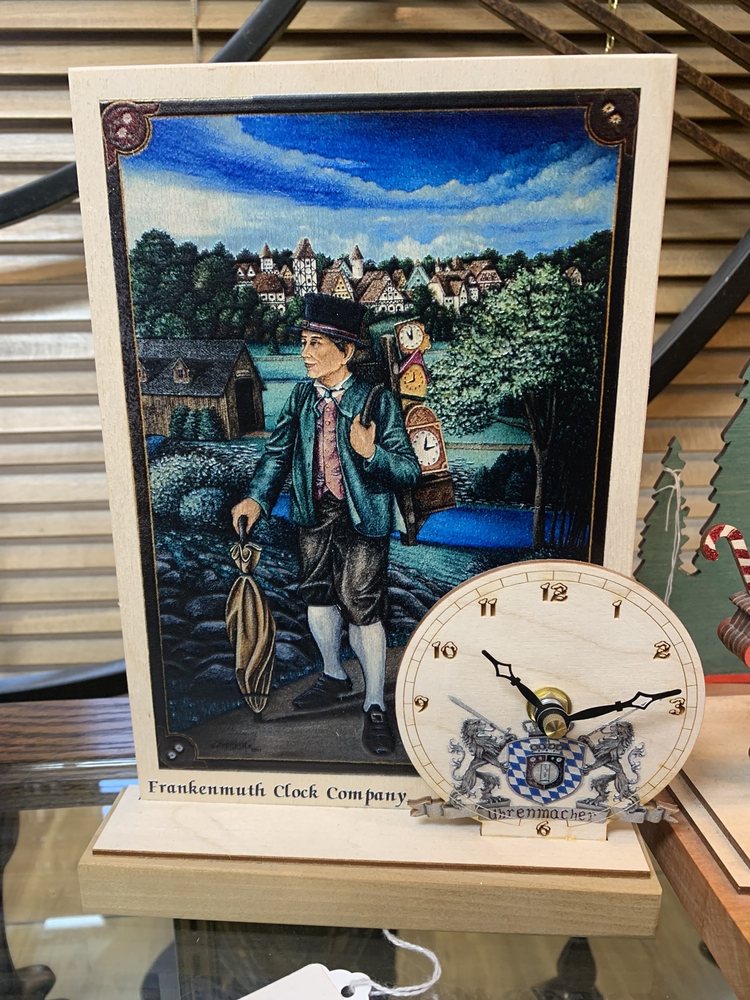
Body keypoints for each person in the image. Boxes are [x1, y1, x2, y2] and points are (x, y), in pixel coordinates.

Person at [231, 294, 421, 755]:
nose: (305, 353)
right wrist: (257, 498)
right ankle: (334, 675)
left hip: (363, 517)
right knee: (317, 596)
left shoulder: (376, 400)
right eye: (303, 342)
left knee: (361, 604)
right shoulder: (300, 397)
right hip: (313, 513)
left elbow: (408, 470)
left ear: (346, 351)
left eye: (315, 343)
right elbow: (277, 453)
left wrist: (371, 453)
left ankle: (374, 704)